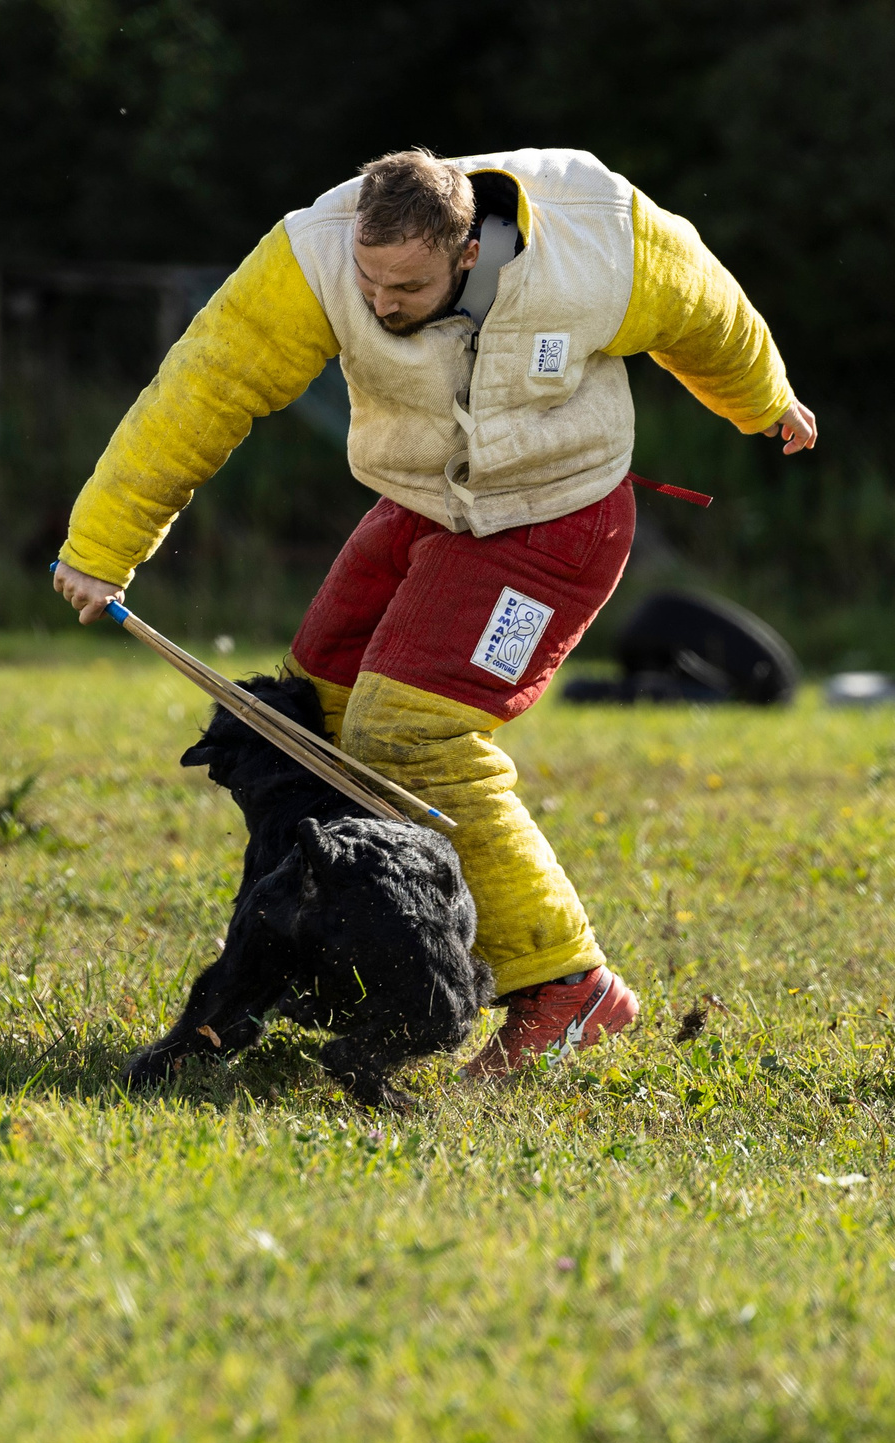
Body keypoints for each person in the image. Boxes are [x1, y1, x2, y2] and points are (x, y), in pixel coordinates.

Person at [51, 146, 815, 1076]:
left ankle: (568, 985)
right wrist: (103, 547)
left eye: (406, 286)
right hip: (420, 504)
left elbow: (704, 306)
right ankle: (339, 956)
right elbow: (201, 391)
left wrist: (765, 401)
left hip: (559, 517)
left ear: (467, 251)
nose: (379, 303)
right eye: (368, 280)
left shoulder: (597, 237)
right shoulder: (313, 255)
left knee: (412, 733)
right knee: (315, 715)